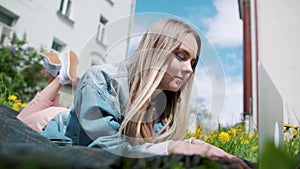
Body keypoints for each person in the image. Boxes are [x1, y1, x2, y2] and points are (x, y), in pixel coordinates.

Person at [17, 18, 253, 168]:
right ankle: (62, 78)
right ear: (156, 51)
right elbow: (105, 149)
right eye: (181, 56)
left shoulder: (162, 105)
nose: (189, 69)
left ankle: (62, 77)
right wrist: (179, 147)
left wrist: (195, 145)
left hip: (77, 116)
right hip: (46, 124)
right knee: (26, 114)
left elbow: (146, 152)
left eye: (193, 62)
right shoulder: (100, 79)